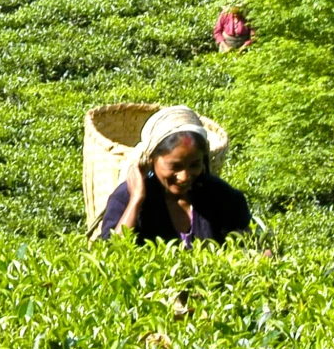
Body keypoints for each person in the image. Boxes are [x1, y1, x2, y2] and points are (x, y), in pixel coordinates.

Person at [101, 105, 250, 245]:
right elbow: (112, 253)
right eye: (174, 166)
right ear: (152, 159)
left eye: (194, 165)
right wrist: (136, 200)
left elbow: (247, 243)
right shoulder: (125, 198)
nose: (184, 176)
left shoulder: (220, 195)